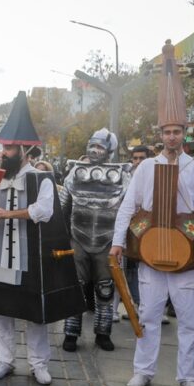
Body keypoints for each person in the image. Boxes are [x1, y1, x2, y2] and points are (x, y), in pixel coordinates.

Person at [111, 41, 194, 386]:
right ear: (159, 134)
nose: (171, 137)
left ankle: (188, 377)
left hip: (188, 256)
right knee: (148, 319)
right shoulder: (147, 168)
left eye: (177, 131)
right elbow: (127, 207)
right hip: (152, 254)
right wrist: (118, 242)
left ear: (183, 133)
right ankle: (143, 371)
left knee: (188, 322)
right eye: (166, 132)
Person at [0, 91, 84, 386]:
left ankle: (38, 364)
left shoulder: (40, 178)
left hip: (30, 255)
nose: (2, 153)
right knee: (0, 310)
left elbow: (43, 211)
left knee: (33, 312)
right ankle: (5, 361)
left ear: (23, 150)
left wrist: (7, 215)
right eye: (2, 148)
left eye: (8, 149)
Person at [60, 129, 130, 352]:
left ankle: (103, 333)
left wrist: (122, 242)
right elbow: (64, 206)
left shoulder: (122, 176)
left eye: (100, 147)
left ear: (109, 151)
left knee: (105, 289)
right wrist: (62, 237)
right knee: (75, 288)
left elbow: (128, 209)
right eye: (93, 145)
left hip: (107, 241)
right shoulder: (74, 173)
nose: (94, 150)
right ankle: (71, 334)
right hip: (77, 238)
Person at [113, 145, 153, 322]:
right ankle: (113, 310)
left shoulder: (153, 175)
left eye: (142, 158)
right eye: (135, 158)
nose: (138, 162)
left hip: (144, 233)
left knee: (140, 273)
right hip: (123, 232)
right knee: (117, 270)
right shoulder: (122, 177)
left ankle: (140, 308)